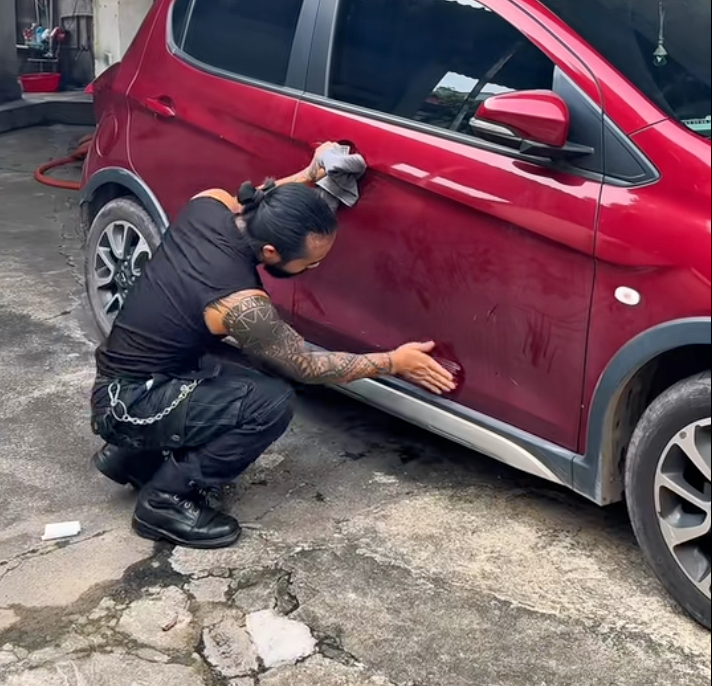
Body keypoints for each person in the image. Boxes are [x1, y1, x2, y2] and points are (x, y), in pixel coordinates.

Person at [90, 146, 457, 549]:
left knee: (254, 366)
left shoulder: (209, 203)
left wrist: (309, 175)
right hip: (128, 402)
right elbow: (305, 366)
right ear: (271, 252)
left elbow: (257, 203)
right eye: (309, 263)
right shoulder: (239, 302)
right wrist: (393, 361)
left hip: (134, 378)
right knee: (269, 402)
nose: (314, 268)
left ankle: (132, 456)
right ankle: (166, 501)